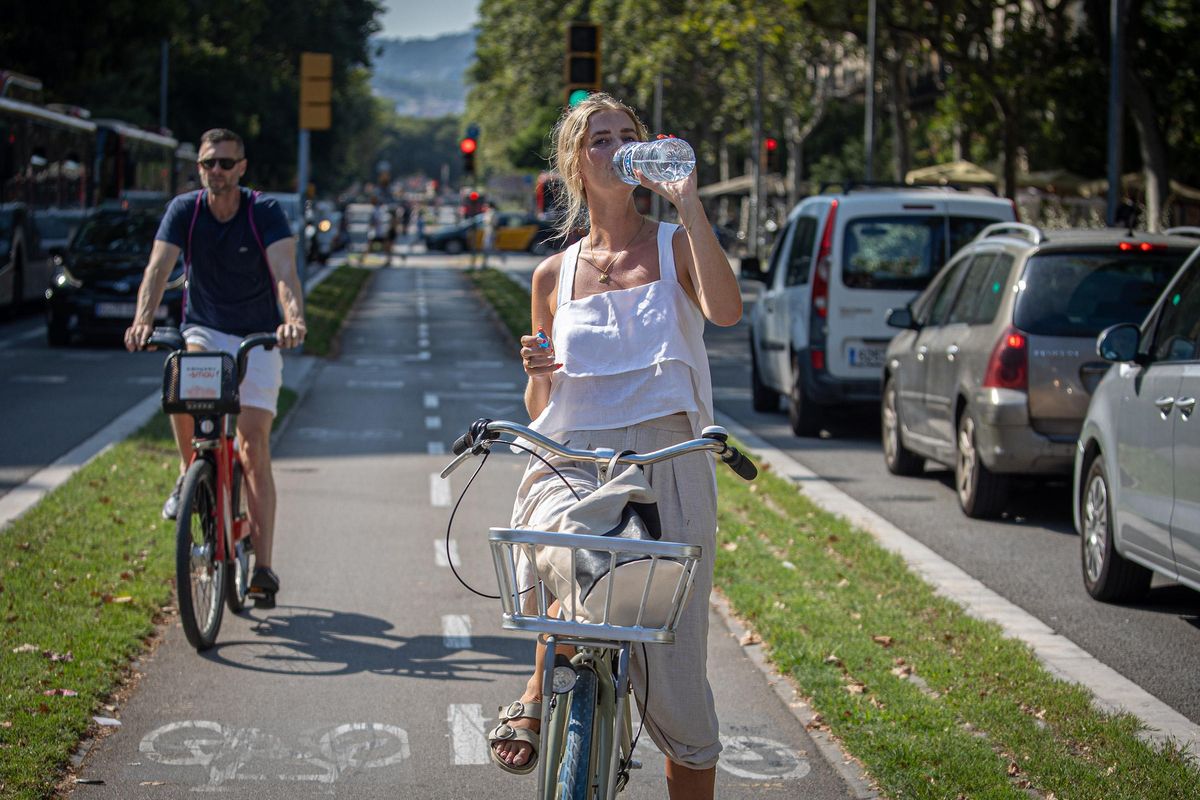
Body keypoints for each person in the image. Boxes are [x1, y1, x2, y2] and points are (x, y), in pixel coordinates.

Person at [488, 94, 741, 799]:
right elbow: (543, 409)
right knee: (564, 543)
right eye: (601, 139)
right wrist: (537, 376)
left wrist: (687, 201)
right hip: (572, 462)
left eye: (629, 136)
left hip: (668, 463)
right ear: (577, 162)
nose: (618, 148)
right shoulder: (552, 276)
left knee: (681, 693)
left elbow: (725, 310)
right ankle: (543, 682)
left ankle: (562, 683)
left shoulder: (673, 244)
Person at [124, 128, 306, 608]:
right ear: (199, 168)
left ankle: (262, 567)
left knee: (252, 445)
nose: (217, 172)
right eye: (209, 164)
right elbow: (157, 270)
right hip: (204, 327)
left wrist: (293, 319)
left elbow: (285, 274)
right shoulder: (185, 210)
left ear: (242, 168)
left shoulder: (263, 211)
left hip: (258, 335)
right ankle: (192, 474)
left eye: (226, 163)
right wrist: (143, 319)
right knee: (181, 380)